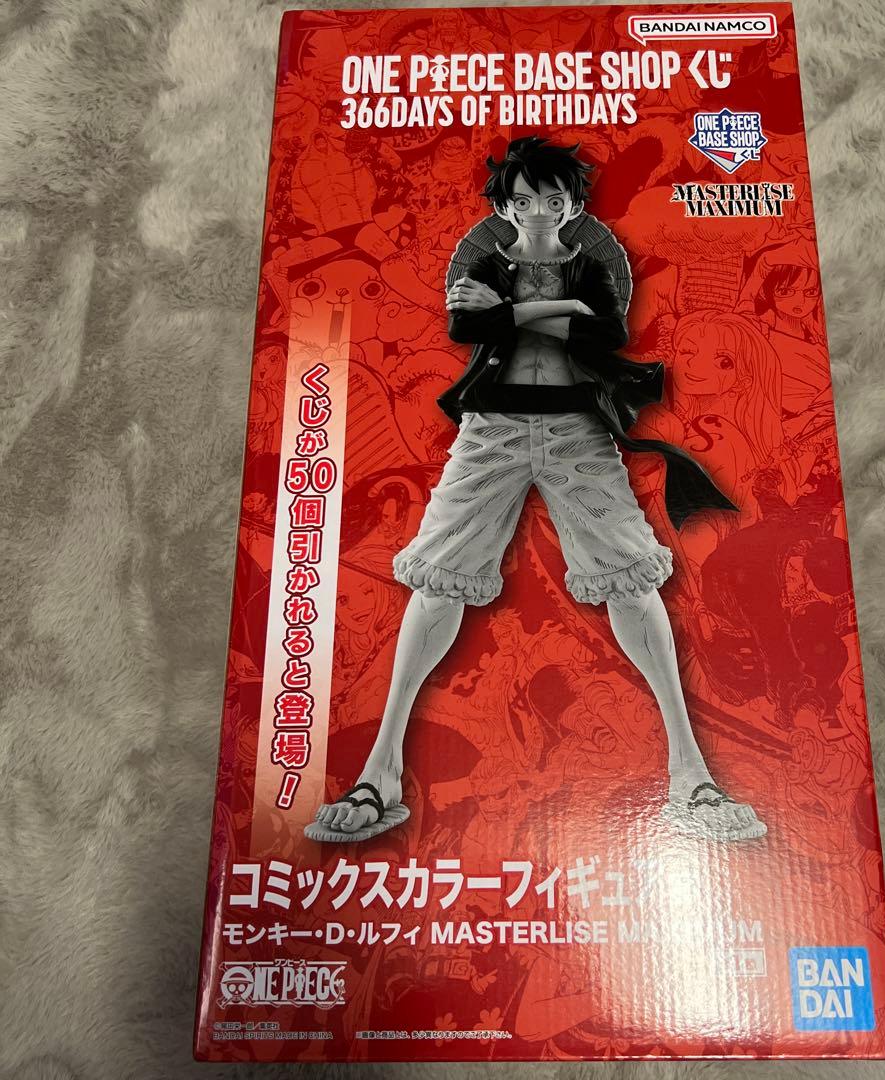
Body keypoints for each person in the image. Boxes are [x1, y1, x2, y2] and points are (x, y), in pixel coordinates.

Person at [306, 137, 767, 843]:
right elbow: (465, 324)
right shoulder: (486, 260)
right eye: (525, 199)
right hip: (490, 428)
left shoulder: (593, 262)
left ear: (573, 204)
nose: (540, 210)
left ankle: (692, 777)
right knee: (438, 579)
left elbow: (603, 335)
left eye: (554, 198)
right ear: (507, 205)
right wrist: (554, 313)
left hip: (578, 430)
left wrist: (514, 311)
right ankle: (380, 775)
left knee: (631, 579)